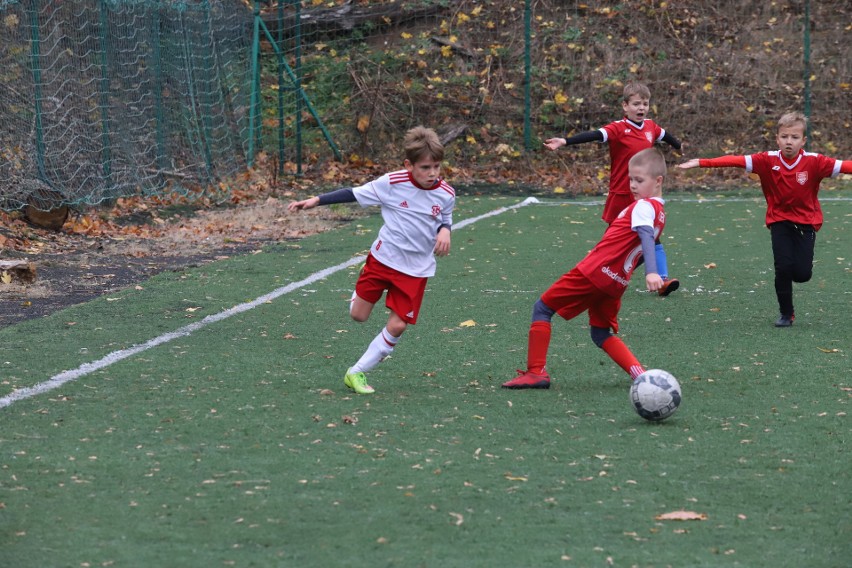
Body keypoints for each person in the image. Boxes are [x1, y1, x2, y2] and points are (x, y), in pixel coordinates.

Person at [287, 126, 455, 393]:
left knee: (399, 324)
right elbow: (353, 193)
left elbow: (444, 218)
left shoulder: (446, 192)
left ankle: (357, 372)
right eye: (425, 167)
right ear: (408, 165)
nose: (433, 173)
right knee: (358, 316)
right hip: (383, 260)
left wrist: (445, 230)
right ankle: (359, 297)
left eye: (436, 166)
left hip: (416, 270)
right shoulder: (391, 183)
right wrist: (316, 200)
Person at [503, 148, 669, 389]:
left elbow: (645, 238)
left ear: (658, 181)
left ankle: (536, 372)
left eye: (639, 180)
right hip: (616, 283)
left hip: (593, 272)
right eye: (630, 179)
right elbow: (643, 249)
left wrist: (652, 272)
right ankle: (640, 375)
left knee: (542, 308)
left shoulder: (644, 206)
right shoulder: (660, 213)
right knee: (600, 333)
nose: (632, 185)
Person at [678, 111, 852, 327]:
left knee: (802, 274)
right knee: (782, 267)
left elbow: (846, 166)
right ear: (777, 138)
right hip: (779, 221)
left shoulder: (815, 162)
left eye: (795, 137)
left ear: (803, 140)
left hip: (806, 223)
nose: (789, 141)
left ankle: (794, 288)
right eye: (785, 136)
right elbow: (736, 161)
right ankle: (786, 314)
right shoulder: (766, 160)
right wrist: (702, 162)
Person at [544, 81, 683, 296]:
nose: (641, 108)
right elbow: (594, 135)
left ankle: (663, 281)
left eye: (645, 104)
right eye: (636, 104)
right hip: (621, 194)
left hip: (642, 196)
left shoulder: (650, 127)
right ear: (625, 106)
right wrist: (565, 141)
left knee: (653, 237)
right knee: (611, 241)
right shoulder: (617, 128)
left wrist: (679, 147)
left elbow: (665, 136)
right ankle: (591, 274)